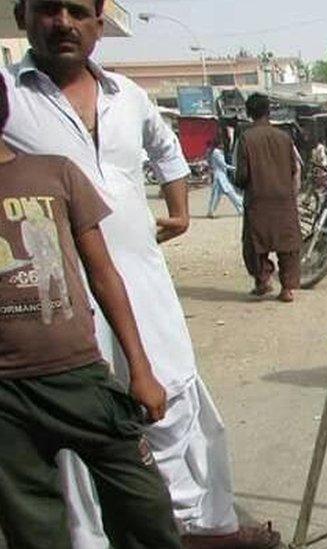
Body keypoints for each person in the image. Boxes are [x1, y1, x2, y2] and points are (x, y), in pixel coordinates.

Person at [2, 1, 280, 547]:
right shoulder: (7, 95)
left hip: (142, 284)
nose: (64, 22)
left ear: (99, 24)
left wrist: (178, 214)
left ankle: (202, 528)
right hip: (59, 305)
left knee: (171, 400)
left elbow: (167, 151)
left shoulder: (126, 96)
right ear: (22, 15)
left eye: (78, 11)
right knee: (80, 439)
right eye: (49, 9)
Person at [0, 75, 181, 549]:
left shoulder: (53, 173)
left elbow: (104, 275)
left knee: (145, 507)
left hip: (80, 377)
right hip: (6, 398)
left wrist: (140, 370)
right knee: (34, 528)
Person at [236, 93, 302, 303]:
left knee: (255, 244)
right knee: (288, 246)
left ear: (249, 113)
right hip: (284, 200)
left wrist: (242, 184)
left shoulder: (246, 138)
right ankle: (287, 289)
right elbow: (294, 169)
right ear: (269, 111)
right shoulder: (284, 138)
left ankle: (263, 281)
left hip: (258, 200)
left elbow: (242, 175)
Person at [206, 139, 243, 218]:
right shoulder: (217, 153)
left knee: (219, 195)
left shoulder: (215, 152)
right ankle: (241, 208)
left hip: (220, 177)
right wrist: (235, 168)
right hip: (220, 177)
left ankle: (240, 209)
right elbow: (223, 165)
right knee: (229, 194)